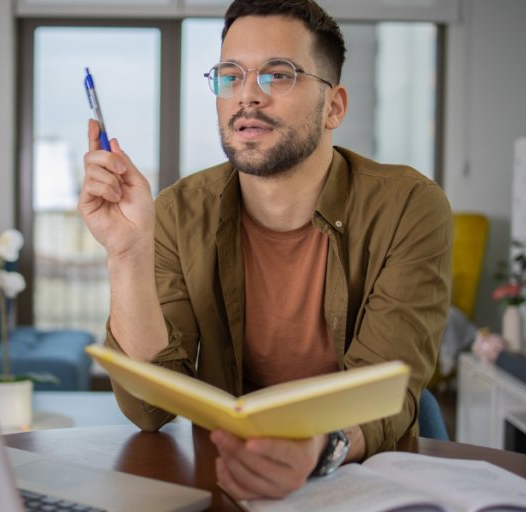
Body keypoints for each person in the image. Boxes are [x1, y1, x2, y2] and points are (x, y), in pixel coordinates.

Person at [78, 0, 452, 500]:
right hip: (232, 474)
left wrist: (316, 450)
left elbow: (386, 392)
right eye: (230, 76)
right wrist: (126, 254)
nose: (247, 95)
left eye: (278, 75)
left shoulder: (409, 205)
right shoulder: (176, 212)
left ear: (334, 106)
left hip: (361, 474)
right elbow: (150, 408)